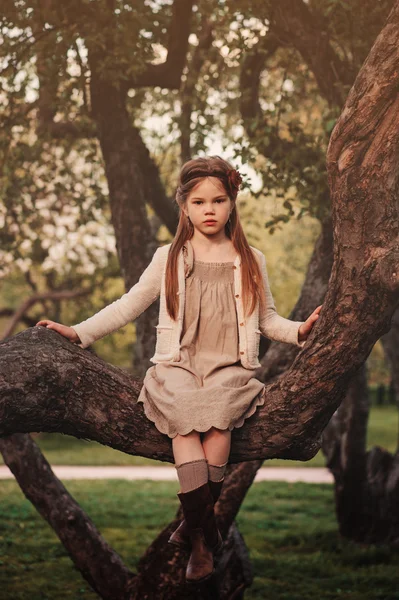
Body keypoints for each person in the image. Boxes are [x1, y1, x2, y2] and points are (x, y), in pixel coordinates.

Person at [36, 155, 321, 584]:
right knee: (186, 423)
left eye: (219, 200)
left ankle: (193, 526)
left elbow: (267, 321)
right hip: (179, 365)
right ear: (184, 207)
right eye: (200, 201)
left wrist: (301, 330)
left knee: (220, 424)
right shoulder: (169, 257)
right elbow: (129, 304)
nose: (209, 209)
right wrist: (77, 332)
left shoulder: (250, 259)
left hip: (228, 365)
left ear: (232, 203)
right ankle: (205, 539)